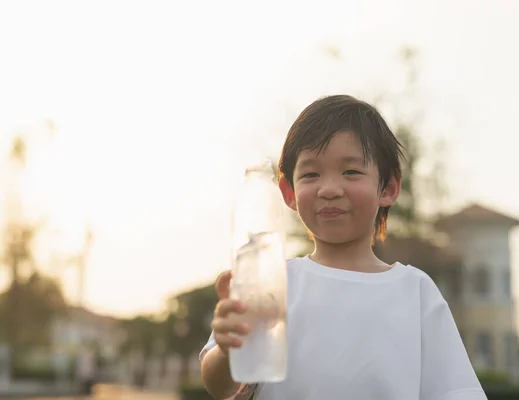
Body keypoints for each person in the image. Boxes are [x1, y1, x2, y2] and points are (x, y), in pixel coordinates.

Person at [200, 95, 486, 399]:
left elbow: (458, 392)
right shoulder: (275, 284)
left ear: (388, 187)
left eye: (351, 172)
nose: (330, 189)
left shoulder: (415, 292)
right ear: (289, 192)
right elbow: (220, 386)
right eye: (311, 174)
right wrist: (229, 348)